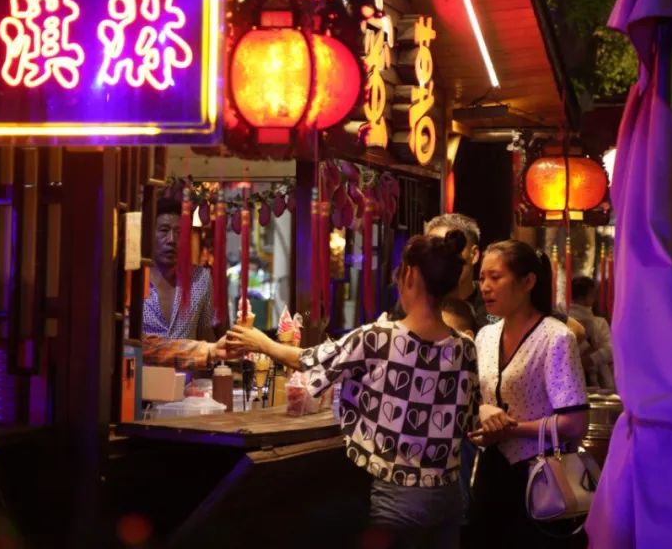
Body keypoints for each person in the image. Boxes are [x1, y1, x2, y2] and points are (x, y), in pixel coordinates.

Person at [229, 233, 480, 549]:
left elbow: (311, 360)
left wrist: (262, 342)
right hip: (448, 497)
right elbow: (469, 421)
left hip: (397, 498)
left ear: (410, 275)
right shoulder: (465, 348)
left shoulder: (379, 338)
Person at [468, 240, 589, 548]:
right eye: (481, 278)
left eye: (495, 277)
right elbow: (475, 399)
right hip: (490, 472)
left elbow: (576, 424)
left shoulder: (556, 337)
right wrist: (482, 415)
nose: (485, 287)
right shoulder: (484, 336)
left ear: (528, 282)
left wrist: (511, 429)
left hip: (540, 474)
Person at [142, 197, 215, 341]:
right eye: (164, 230)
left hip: (189, 356)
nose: (171, 240)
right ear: (149, 234)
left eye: (179, 232)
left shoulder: (200, 278)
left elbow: (205, 334)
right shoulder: (134, 279)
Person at [568, 277, 615, 391]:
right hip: (574, 378)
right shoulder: (565, 320)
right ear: (582, 296)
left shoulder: (599, 323)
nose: (595, 298)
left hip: (595, 381)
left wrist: (589, 360)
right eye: (592, 295)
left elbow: (610, 350)